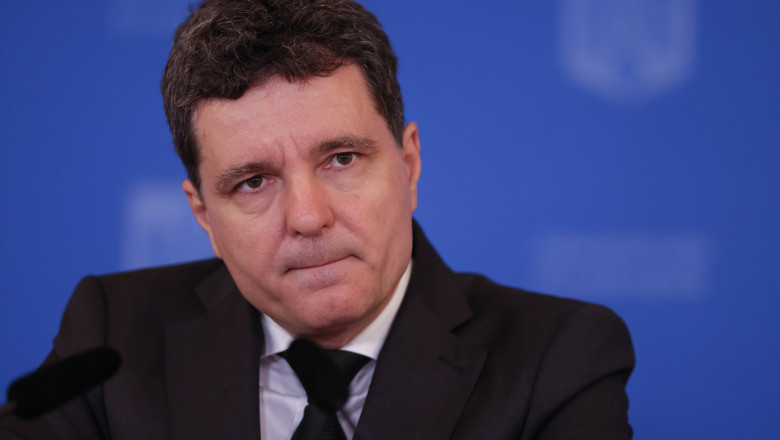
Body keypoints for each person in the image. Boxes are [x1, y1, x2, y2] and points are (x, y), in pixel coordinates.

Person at [0, 0, 634, 439]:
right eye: (253, 182)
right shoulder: (112, 337)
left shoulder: (557, 358)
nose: (307, 217)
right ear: (203, 215)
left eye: (341, 159)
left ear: (409, 164)